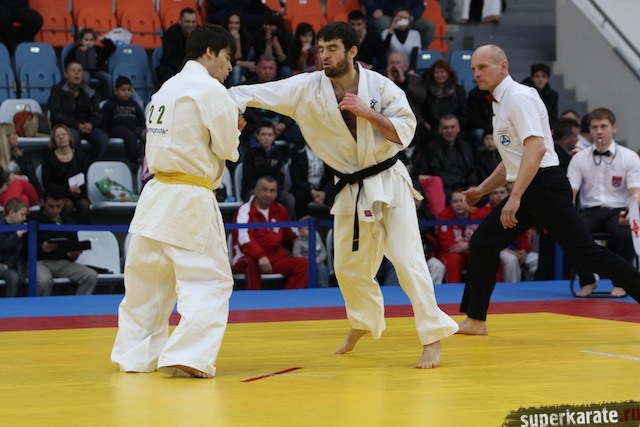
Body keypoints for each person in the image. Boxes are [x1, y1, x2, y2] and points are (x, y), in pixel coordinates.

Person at [229, 21, 459, 369]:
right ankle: (363, 321)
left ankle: (432, 337)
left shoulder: (381, 87)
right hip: (351, 186)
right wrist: (231, 108)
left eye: (332, 48)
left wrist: (368, 113)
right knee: (347, 266)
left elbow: (405, 132)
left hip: (388, 181)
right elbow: (253, 92)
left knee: (407, 258)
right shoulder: (305, 88)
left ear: (352, 51)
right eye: (321, 48)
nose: (324, 55)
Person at [456, 44, 640, 336]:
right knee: (483, 243)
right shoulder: (499, 103)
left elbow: (537, 148)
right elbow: (511, 161)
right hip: (530, 185)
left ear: (503, 66)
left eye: (483, 67)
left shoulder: (518, 97)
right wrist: (481, 190)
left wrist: (514, 197)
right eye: (474, 69)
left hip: (545, 186)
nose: (476, 73)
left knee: (588, 255)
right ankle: (475, 320)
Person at [111, 24, 242, 379]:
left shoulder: (165, 89)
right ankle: (190, 355)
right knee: (208, 281)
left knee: (146, 284)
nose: (229, 67)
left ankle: (134, 356)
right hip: (189, 196)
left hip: (155, 196)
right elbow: (228, 149)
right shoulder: (211, 91)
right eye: (227, 57)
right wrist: (236, 127)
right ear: (210, 52)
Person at [567, 107, 640, 298]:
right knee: (567, 233)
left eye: (603, 126)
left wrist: (630, 212)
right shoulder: (579, 158)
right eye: (595, 127)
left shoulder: (629, 157)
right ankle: (588, 279)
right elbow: (571, 191)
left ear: (613, 128)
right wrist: (567, 213)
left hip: (618, 212)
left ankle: (621, 282)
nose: (599, 131)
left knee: (625, 234)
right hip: (589, 212)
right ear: (589, 130)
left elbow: (635, 192)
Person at [231, 176, 308, 290]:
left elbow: (289, 234)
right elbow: (244, 240)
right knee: (250, 262)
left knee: (304, 264)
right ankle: (254, 300)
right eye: (264, 190)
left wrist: (302, 233)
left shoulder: (280, 210)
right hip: (247, 258)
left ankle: (289, 299)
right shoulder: (244, 210)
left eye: (272, 191)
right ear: (256, 190)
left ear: (276, 194)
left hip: (274, 259)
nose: (268, 194)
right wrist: (260, 256)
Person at [31, 191, 97, 297]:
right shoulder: (32, 219)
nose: (55, 210)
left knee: (91, 275)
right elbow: (23, 248)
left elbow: (73, 243)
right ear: (43, 202)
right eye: (51, 206)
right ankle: (41, 307)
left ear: (63, 203)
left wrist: (72, 255)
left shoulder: (69, 222)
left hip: (63, 262)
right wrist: (41, 248)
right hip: (39, 262)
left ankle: (79, 306)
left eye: (59, 206)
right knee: (44, 281)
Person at [48, 61, 110, 162]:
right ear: (66, 74)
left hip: (87, 126)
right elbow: (56, 114)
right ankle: (72, 165)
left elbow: (98, 112)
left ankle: (92, 166)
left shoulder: (89, 90)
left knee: (102, 138)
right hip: (67, 126)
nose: (76, 73)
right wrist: (77, 125)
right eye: (73, 70)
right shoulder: (57, 90)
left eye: (79, 71)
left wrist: (91, 124)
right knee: (73, 138)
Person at [240, 120, 295, 218]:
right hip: (255, 190)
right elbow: (248, 178)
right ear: (257, 136)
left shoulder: (279, 155)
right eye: (263, 134)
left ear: (274, 136)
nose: (266, 137)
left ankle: (286, 225)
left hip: (274, 190)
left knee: (288, 199)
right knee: (250, 195)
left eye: (269, 135)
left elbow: (280, 178)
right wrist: (263, 190)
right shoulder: (250, 154)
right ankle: (253, 223)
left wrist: (271, 191)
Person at [436, 189, 490, 283]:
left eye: (461, 201)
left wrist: (469, 245)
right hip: (452, 253)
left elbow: (486, 238)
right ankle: (453, 290)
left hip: (473, 250)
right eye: (455, 201)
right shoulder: (444, 216)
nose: (458, 204)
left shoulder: (479, 214)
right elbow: (447, 245)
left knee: (487, 255)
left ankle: (494, 288)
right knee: (454, 259)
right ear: (450, 203)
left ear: (468, 202)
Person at [41, 125, 91, 224]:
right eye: (57, 136)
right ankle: (65, 231)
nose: (61, 137)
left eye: (64, 134)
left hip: (77, 193)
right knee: (67, 204)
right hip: (58, 193)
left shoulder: (81, 157)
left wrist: (79, 189)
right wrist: (67, 189)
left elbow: (84, 177)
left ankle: (84, 231)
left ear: (69, 137)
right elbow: (47, 182)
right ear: (54, 140)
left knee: (84, 205)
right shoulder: (49, 158)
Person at [424, 114, 476, 203]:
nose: (449, 131)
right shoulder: (432, 148)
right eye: (445, 128)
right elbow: (436, 172)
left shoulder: (466, 146)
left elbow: (472, 169)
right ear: (440, 130)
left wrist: (472, 185)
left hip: (465, 185)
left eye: (452, 127)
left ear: (458, 128)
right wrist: (460, 183)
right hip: (446, 187)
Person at [101, 76, 146, 165]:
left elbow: (141, 119)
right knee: (130, 136)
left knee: (146, 134)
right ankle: (134, 161)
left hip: (134, 127)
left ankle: (142, 158)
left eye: (129, 90)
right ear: (116, 91)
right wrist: (107, 132)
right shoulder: (110, 104)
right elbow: (105, 120)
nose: (126, 92)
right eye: (123, 90)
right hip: (118, 128)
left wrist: (143, 128)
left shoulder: (134, 104)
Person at [421, 59, 469, 143]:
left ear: (448, 74)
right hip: (434, 126)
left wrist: (453, 124)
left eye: (442, 72)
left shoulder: (459, 90)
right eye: (436, 72)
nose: (439, 75)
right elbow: (425, 111)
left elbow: (464, 111)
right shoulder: (426, 91)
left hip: (454, 125)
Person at [64, 28, 116, 100]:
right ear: (81, 40)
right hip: (83, 71)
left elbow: (112, 48)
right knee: (85, 77)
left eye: (91, 40)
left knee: (108, 78)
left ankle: (107, 100)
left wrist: (103, 40)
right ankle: (85, 99)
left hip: (97, 71)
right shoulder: (76, 49)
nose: (89, 42)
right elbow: (68, 61)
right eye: (86, 40)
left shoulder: (98, 49)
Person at [361, 0, 435, 49]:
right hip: (385, 15)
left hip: (407, 16)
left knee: (428, 27)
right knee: (382, 23)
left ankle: (419, 53)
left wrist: (411, 16)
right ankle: (384, 54)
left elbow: (420, 4)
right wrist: (374, 9)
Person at [289, 143, 333, 219]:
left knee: (336, 194)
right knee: (298, 196)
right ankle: (302, 222)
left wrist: (324, 192)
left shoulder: (328, 150)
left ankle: (333, 223)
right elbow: (296, 179)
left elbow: (332, 177)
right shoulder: (296, 150)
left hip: (323, 188)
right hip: (304, 188)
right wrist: (310, 190)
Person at [0, 123, 39, 208]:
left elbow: (34, 180)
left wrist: (22, 178)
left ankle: (8, 215)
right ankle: (14, 215)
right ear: (5, 138)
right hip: (6, 194)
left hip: (28, 191)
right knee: (23, 200)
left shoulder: (23, 155)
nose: (17, 136)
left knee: (17, 183)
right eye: (14, 134)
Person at [156, 7, 198, 86]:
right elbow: (170, 58)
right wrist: (187, 68)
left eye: (193, 22)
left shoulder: (200, 33)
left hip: (194, 67)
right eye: (187, 21)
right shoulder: (170, 34)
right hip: (173, 67)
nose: (191, 25)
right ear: (180, 21)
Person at [0, 198, 28, 297]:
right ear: (12, 213)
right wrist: (17, 234)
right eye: (22, 215)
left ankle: (10, 305)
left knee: (14, 277)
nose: (25, 218)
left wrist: (7, 265)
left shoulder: (19, 227)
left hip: (8, 265)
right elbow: (2, 245)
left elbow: (17, 252)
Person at [251, 12, 292, 78]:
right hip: (264, 67)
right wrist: (268, 43)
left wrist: (276, 44)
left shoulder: (286, 37)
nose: (267, 27)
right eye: (266, 24)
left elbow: (284, 61)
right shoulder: (258, 35)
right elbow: (265, 60)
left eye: (271, 25)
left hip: (280, 66)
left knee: (286, 70)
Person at [293, 216, 329, 288]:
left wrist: (319, 259)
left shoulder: (317, 239)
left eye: (312, 228)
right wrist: (307, 260)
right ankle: (308, 289)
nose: (311, 231)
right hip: (305, 263)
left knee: (322, 269)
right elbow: (296, 255)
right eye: (307, 229)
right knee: (306, 271)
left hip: (317, 262)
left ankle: (324, 288)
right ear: (300, 232)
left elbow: (323, 251)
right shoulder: (298, 242)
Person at [222, 12, 256, 87]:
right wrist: (246, 64)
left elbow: (238, 58)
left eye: (237, 23)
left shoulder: (247, 38)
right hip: (224, 68)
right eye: (231, 23)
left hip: (243, 70)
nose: (234, 26)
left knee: (237, 70)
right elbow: (226, 60)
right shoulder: (222, 38)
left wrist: (237, 41)